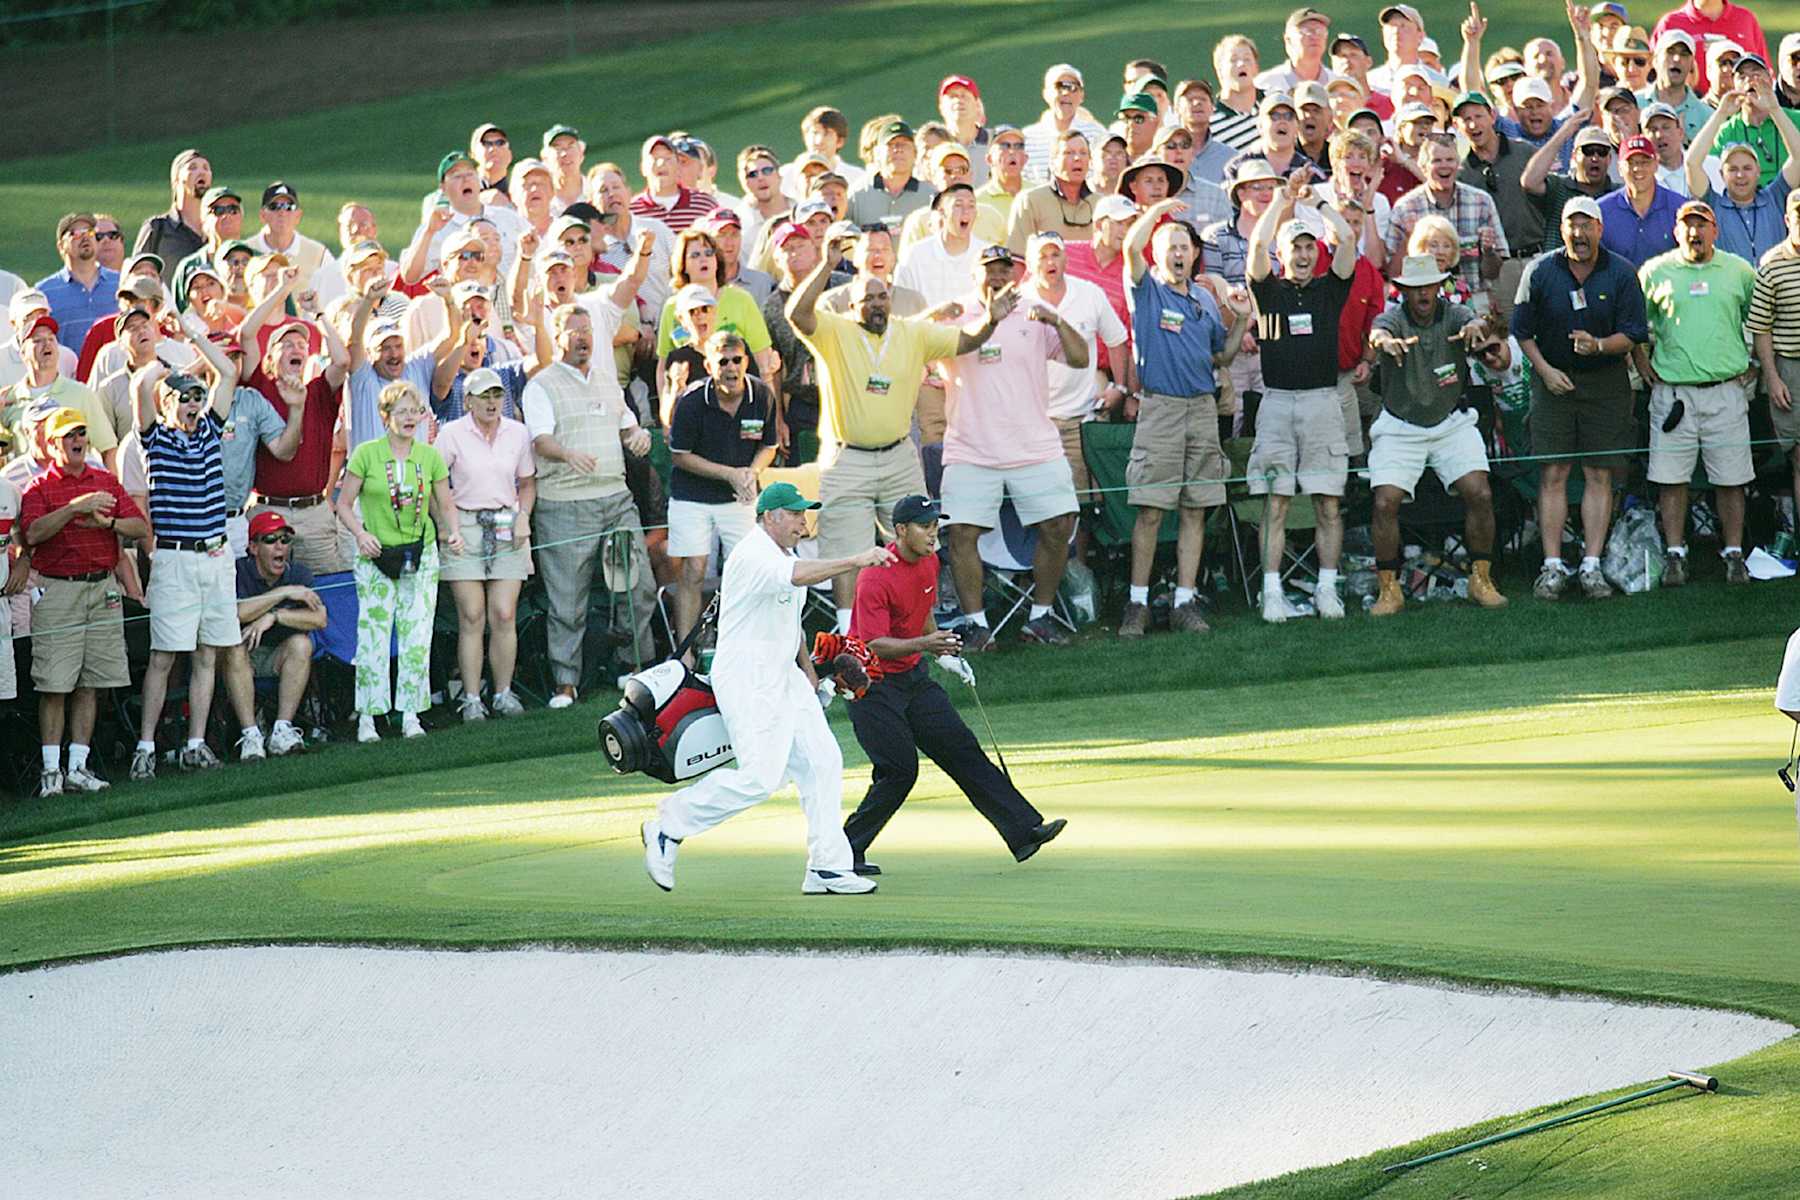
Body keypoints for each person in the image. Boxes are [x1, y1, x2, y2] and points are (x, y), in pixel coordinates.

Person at [642, 481, 894, 895]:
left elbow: (790, 619)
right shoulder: (754, 553)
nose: (802, 522)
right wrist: (856, 559)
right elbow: (796, 577)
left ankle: (827, 867)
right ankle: (669, 825)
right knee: (760, 778)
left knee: (823, 761)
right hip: (748, 676)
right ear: (769, 517)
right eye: (794, 514)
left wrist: (808, 673)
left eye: (803, 514)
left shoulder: (785, 554)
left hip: (784, 675)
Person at [786, 229, 1009, 630]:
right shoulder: (836, 331)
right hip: (847, 459)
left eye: (882, 297)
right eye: (867, 299)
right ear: (851, 305)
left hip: (898, 456)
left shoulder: (912, 332)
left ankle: (924, 636)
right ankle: (851, 639)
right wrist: (826, 265)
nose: (876, 304)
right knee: (847, 554)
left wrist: (991, 319)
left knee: (919, 543)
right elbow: (797, 315)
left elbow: (966, 340)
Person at [840, 493, 1066, 873]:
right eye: (924, 527)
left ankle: (1024, 831)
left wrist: (942, 653)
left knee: (962, 749)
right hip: (870, 683)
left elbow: (922, 612)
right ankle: (842, 851)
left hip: (912, 676)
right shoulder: (875, 577)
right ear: (900, 530)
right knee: (899, 771)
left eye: (935, 526)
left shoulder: (929, 561)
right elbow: (873, 643)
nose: (933, 534)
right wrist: (927, 645)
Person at [939, 244, 1087, 649]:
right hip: (971, 448)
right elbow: (926, 344)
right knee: (961, 533)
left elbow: (1080, 358)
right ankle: (976, 625)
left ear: (1017, 276)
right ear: (975, 274)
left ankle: (1040, 618)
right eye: (990, 269)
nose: (998, 277)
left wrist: (1057, 320)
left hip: (1035, 446)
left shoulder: (1036, 312)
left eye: (1006, 270)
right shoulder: (955, 313)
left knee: (1060, 526)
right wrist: (978, 317)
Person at [1119, 201, 1251, 637]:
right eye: (1169, 246)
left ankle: (1184, 601)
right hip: (1161, 409)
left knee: (1196, 508)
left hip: (1202, 409)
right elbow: (1129, 247)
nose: (1178, 253)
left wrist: (1241, 320)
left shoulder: (1205, 300)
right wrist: (1157, 210)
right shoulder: (1146, 289)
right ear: (1157, 254)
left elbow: (1221, 356)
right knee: (1151, 510)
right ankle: (1137, 604)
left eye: (1183, 247)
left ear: (1194, 254)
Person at [128, 339, 259, 778]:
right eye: (184, 398)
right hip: (176, 559)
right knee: (164, 656)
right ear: (168, 403)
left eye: (197, 396)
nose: (193, 405)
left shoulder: (208, 431)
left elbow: (229, 372)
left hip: (215, 555)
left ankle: (196, 744)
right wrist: (166, 366)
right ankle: (146, 747)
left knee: (208, 653)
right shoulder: (155, 438)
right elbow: (139, 390)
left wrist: (191, 333)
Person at [1512, 197, 1649, 600]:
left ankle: (1591, 565)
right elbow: (1522, 331)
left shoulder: (1622, 272)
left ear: (1600, 229)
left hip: (1606, 383)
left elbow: (1634, 333)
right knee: (1553, 473)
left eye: (1587, 225)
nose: (1579, 233)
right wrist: (1545, 371)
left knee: (1599, 473)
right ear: (1563, 230)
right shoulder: (1539, 270)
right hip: (1553, 382)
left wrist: (1600, 345)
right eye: (1572, 225)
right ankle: (1553, 566)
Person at [525, 297, 658, 709]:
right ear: (558, 337)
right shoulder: (541, 385)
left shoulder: (606, 380)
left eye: (587, 331)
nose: (583, 338)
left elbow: (628, 427)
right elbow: (540, 440)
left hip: (615, 497)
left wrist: (638, 437)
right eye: (575, 332)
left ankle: (633, 665)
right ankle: (566, 683)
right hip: (564, 504)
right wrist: (566, 454)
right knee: (568, 600)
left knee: (638, 586)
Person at [1365, 255, 1510, 616]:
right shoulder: (1393, 318)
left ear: (1439, 287)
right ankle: (1389, 588)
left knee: (1480, 492)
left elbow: (1473, 320)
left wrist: (1476, 327)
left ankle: (1480, 579)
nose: (1423, 294)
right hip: (1399, 424)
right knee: (1384, 502)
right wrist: (1385, 343)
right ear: (1404, 292)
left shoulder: (1454, 313)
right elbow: (1377, 332)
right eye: (1415, 288)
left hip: (1450, 422)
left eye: (1428, 286)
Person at [19, 406, 148, 797]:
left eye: (80, 434)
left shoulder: (105, 481)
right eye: (68, 436)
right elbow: (33, 534)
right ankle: (51, 773)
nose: (77, 441)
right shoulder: (38, 489)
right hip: (59, 590)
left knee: (92, 683)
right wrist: (75, 507)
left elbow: (139, 526)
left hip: (101, 588)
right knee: (55, 684)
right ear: (52, 444)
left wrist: (108, 522)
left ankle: (77, 766)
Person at [1246, 173, 1358, 623]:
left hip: (1322, 401)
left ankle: (1327, 589)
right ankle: (1271, 593)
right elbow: (1256, 245)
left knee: (1328, 501)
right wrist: (1281, 201)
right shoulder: (1267, 289)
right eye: (1296, 247)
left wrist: (1318, 204)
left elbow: (1348, 240)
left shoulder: (1330, 289)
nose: (1304, 254)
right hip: (1276, 403)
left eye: (1310, 246)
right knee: (1276, 501)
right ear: (1283, 253)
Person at [1636, 200, 1758, 585]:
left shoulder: (1739, 271)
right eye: (1687, 225)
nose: (1695, 232)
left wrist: (1755, 363)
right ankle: (1675, 554)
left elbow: (1758, 320)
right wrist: (1641, 363)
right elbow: (1635, 325)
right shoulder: (1655, 272)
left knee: (1732, 480)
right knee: (1671, 480)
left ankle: (1734, 553)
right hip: (1674, 395)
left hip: (1726, 391)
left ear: (1715, 230)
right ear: (1676, 231)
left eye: (1702, 225)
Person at [337, 380, 463, 742]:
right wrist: (361, 534)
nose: (410, 418)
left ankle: (411, 714)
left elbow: (445, 502)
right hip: (375, 555)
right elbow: (344, 504)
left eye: (415, 411)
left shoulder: (429, 456)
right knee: (373, 636)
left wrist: (453, 531)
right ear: (385, 416)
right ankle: (368, 717)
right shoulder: (366, 454)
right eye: (402, 411)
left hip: (419, 554)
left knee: (417, 635)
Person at [666, 331, 779, 649]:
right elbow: (679, 456)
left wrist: (751, 474)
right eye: (723, 362)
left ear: (746, 361)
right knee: (693, 570)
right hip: (691, 496)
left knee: (747, 569)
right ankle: (686, 651)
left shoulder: (762, 395)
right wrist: (731, 474)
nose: (731, 368)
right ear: (708, 365)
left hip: (738, 497)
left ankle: (742, 645)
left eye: (737, 360)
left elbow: (769, 446)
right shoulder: (691, 400)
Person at [436, 366, 536, 721]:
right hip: (464, 522)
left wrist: (524, 515)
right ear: (468, 402)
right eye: (484, 397)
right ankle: (472, 697)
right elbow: (435, 482)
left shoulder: (517, 432)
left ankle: (503, 693)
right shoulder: (451, 434)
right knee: (472, 615)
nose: (492, 403)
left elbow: (527, 482)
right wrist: (446, 525)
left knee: (504, 613)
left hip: (507, 522)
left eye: (497, 395)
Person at [233, 509, 324, 756]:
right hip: (242, 657)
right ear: (253, 547)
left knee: (302, 644)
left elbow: (320, 618)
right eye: (270, 540)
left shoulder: (299, 573)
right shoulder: (238, 571)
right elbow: (238, 614)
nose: (280, 546)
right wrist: (283, 593)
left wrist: (274, 616)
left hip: (278, 656)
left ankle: (282, 730)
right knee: (233, 648)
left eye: (285, 540)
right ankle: (251, 734)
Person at [1685, 78, 1800, 264]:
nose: (1740, 175)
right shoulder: (1712, 205)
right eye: (1733, 169)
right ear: (1721, 175)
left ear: (1758, 171)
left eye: (1747, 168)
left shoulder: (1775, 197)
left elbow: (1798, 157)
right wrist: (1721, 114)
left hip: (1773, 281)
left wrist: (1775, 109)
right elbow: (1691, 163)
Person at [1749, 190, 1800, 529]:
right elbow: (1761, 328)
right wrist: (1773, 377)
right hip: (1790, 368)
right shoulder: (1771, 264)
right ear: (1787, 220)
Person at [37, 214, 122, 355]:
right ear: (61, 246)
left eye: (89, 232)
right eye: (76, 234)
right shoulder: (44, 292)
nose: (85, 237)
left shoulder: (121, 283)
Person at [1598, 135, 1683, 267]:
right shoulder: (1602, 211)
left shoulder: (1679, 207)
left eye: (1645, 162)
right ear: (1619, 168)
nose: (1638, 168)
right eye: (1631, 163)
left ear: (1656, 165)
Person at [1007, 131, 1097, 250]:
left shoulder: (1101, 204)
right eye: (1068, 153)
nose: (1077, 158)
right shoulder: (1030, 201)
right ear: (1052, 162)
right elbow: (1017, 255)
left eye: (1083, 153)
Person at [133, 150, 211, 268]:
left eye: (206, 168)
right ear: (176, 179)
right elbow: (137, 274)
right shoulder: (157, 228)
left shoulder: (216, 228)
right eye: (192, 168)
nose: (202, 172)